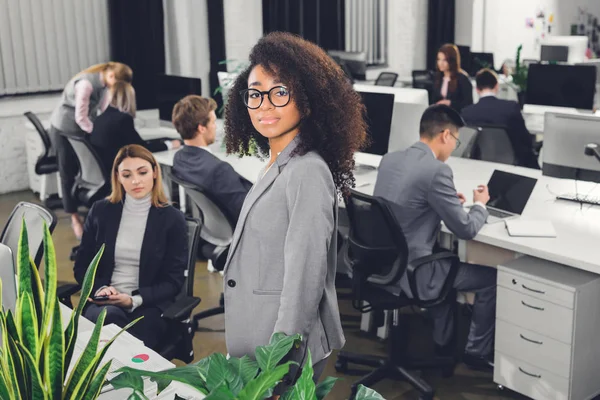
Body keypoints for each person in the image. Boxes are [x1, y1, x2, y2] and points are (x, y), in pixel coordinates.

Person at [223, 32, 367, 384]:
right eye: (255, 93)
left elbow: (305, 279)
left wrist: (281, 362)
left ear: (307, 97)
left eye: (280, 91)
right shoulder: (279, 162)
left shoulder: (307, 171)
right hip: (256, 333)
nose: (265, 104)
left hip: (279, 347)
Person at [373, 105, 496, 371]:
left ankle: (443, 347)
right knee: (492, 280)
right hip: (414, 270)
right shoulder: (437, 171)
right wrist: (480, 205)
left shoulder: (390, 159)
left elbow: (405, 205)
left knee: (445, 270)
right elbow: (466, 229)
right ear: (445, 136)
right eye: (456, 140)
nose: (454, 148)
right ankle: (476, 352)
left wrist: (446, 201)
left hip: (380, 264)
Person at [73, 144, 188, 350]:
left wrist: (133, 300)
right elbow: (82, 266)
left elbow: (173, 281)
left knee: (133, 335)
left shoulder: (172, 219)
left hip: (148, 304)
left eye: (142, 172)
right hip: (104, 303)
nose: (136, 181)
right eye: (127, 175)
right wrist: (101, 289)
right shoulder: (101, 211)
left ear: (154, 172)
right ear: (117, 177)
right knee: (109, 320)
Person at [50, 62, 133, 239]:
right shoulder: (86, 84)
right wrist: (96, 133)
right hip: (64, 128)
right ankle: (74, 218)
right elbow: (81, 117)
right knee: (67, 172)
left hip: (81, 130)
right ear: (109, 74)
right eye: (115, 81)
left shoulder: (104, 86)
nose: (114, 86)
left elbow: (99, 112)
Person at [171, 95, 251, 223]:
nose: (215, 127)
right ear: (201, 128)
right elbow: (248, 212)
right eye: (213, 122)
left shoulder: (179, 158)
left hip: (210, 225)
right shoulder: (219, 170)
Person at [91, 81, 181, 176]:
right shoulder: (123, 119)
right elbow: (140, 149)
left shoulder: (100, 118)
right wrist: (169, 145)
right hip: (120, 172)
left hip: (106, 169)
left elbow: (135, 143)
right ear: (129, 98)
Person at [461, 69, 539, 169]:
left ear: (476, 89)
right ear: (497, 86)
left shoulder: (467, 112)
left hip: (479, 164)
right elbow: (525, 139)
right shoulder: (511, 107)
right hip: (512, 164)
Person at [432, 44, 473, 113]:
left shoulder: (462, 79)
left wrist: (450, 103)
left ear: (452, 61)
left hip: (456, 116)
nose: (440, 63)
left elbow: (468, 104)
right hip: (440, 116)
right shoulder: (437, 77)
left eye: (444, 60)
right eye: (439, 59)